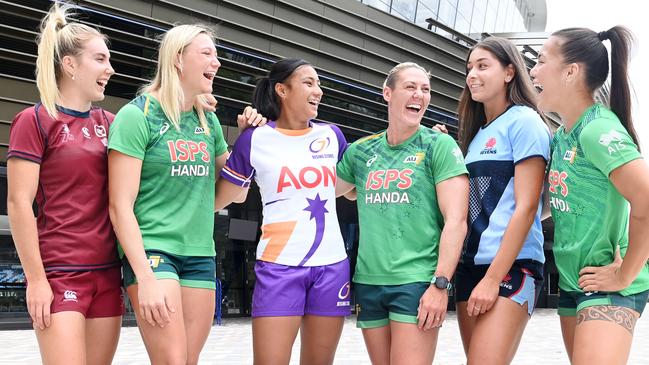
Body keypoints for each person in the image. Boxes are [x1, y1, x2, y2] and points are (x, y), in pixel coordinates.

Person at [107, 24, 264, 364]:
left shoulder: (207, 122)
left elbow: (234, 194)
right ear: (178, 59)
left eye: (217, 55)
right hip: (154, 251)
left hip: (199, 254)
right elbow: (119, 206)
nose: (217, 62)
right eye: (207, 53)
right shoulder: (137, 116)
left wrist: (248, 138)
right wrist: (145, 277)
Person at [6, 3, 122, 364]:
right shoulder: (35, 120)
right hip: (59, 273)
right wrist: (36, 280)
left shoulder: (114, 122)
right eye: (100, 59)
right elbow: (18, 203)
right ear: (70, 65)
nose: (110, 69)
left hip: (108, 273)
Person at [214, 58, 350, 365]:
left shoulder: (333, 136)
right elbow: (221, 199)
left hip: (331, 267)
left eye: (319, 84)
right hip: (278, 267)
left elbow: (352, 190)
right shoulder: (255, 137)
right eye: (309, 82)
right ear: (282, 90)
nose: (319, 91)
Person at [335, 62, 469, 365]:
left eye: (425, 90)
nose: (419, 95)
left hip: (417, 281)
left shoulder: (438, 145)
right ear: (387, 93)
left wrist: (440, 285)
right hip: (368, 281)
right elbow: (320, 190)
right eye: (410, 87)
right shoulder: (360, 151)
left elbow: (456, 222)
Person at [530, 26, 649, 364]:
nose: (533, 71)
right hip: (573, 282)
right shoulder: (563, 136)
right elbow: (556, 206)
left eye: (540, 61)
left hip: (609, 282)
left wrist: (625, 273)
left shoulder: (598, 129)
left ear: (571, 71)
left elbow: (647, 201)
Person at [432, 37, 550, 364]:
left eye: (483, 66)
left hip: (511, 267)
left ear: (510, 72)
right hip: (469, 267)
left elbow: (528, 207)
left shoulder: (525, 122)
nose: (472, 74)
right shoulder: (476, 135)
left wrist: (493, 279)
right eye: (469, 68)